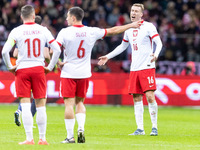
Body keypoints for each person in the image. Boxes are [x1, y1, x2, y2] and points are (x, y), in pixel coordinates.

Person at [56, 6, 142, 144]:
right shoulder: (91, 31)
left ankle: (70, 136)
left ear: (73, 18)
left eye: (67, 16)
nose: (66, 19)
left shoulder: (64, 32)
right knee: (80, 102)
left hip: (68, 72)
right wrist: (131, 25)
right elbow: (113, 31)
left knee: (68, 104)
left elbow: (54, 49)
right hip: (84, 73)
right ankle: (81, 129)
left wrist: (58, 63)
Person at [98, 3, 162, 136]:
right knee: (136, 97)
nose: (133, 13)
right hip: (134, 69)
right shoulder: (128, 29)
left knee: (150, 96)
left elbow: (159, 43)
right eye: (132, 10)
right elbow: (122, 47)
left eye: (136, 11)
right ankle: (140, 129)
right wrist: (108, 57)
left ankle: (154, 127)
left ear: (141, 14)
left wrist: (155, 55)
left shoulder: (149, 26)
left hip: (147, 66)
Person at [2, 5, 61, 145]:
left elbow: (5, 51)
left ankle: (29, 139)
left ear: (21, 17)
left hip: (22, 70)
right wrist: (50, 67)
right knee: (41, 105)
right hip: (39, 69)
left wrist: (10, 67)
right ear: (34, 16)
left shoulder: (16, 31)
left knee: (26, 105)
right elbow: (57, 49)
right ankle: (43, 139)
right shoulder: (43, 30)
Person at [13, 15, 51, 127]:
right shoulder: (43, 34)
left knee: (25, 96)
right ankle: (32, 124)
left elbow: (14, 54)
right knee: (38, 97)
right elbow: (46, 55)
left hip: (22, 68)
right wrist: (51, 63)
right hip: (37, 68)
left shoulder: (20, 33)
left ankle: (19, 112)